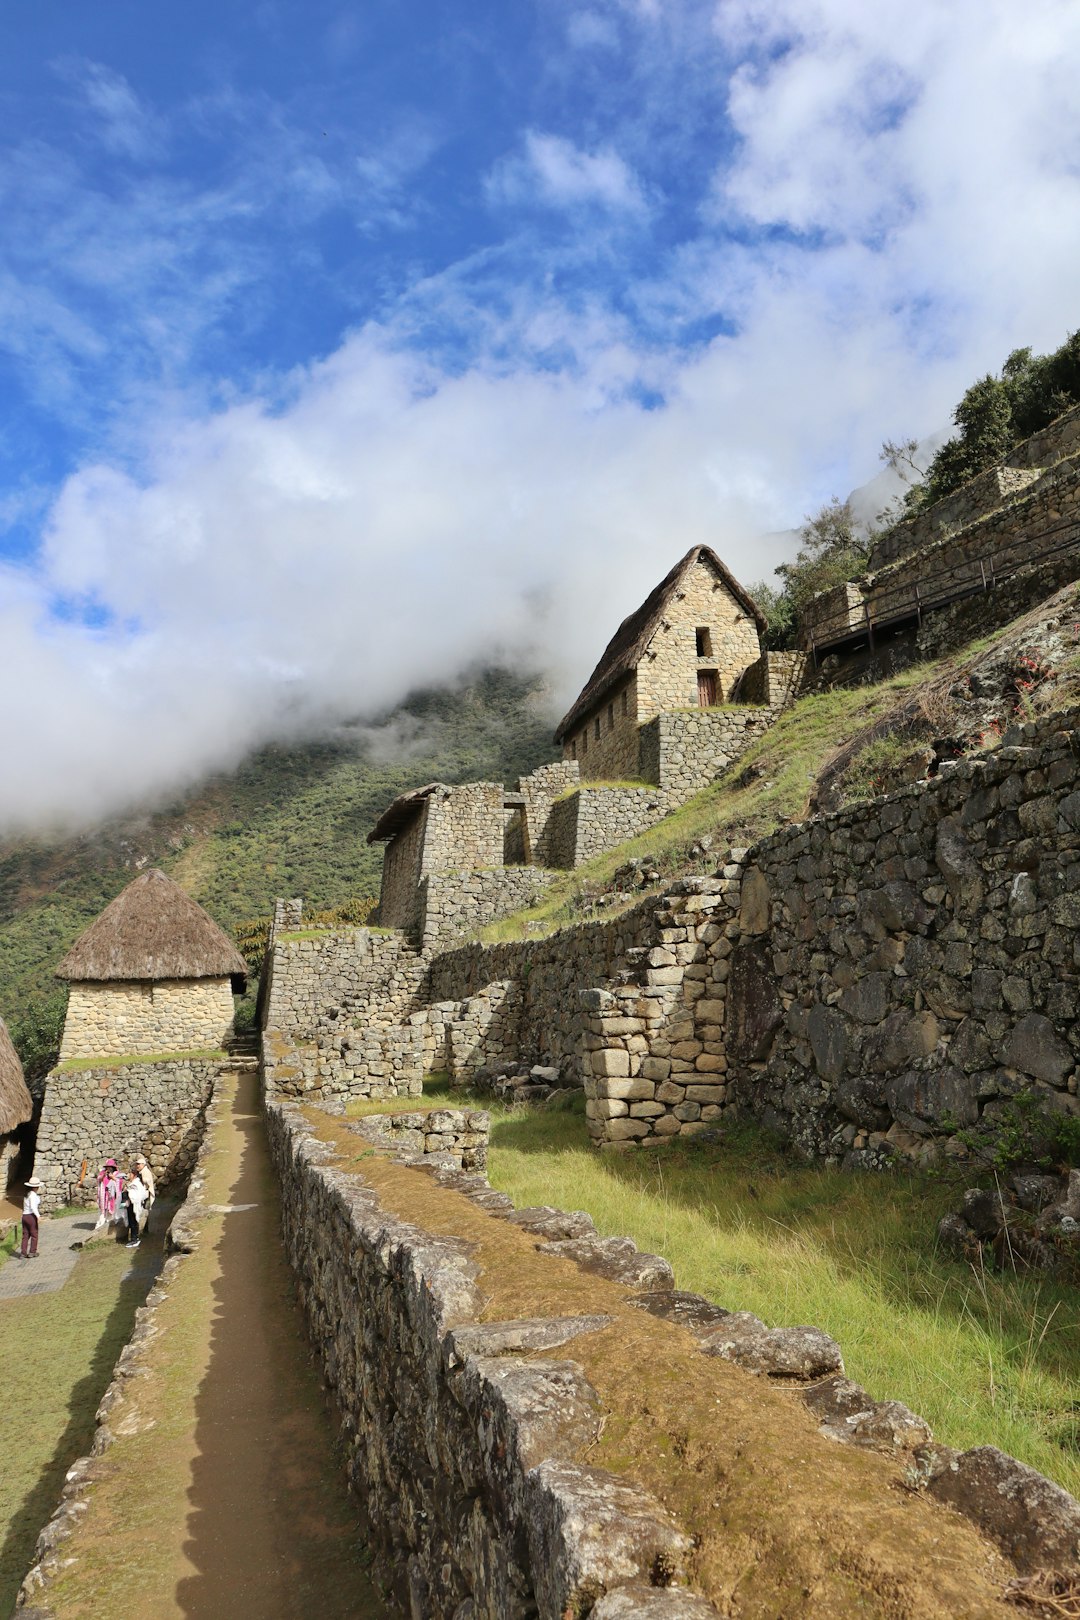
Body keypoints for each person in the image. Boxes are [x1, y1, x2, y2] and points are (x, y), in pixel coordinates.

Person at [95, 1159, 123, 1229]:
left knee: (112, 1211)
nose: (109, 1168)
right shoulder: (102, 1173)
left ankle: (110, 1225)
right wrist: (104, 1175)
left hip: (112, 1196)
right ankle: (100, 1225)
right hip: (103, 1196)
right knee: (103, 1211)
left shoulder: (117, 1174)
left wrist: (113, 1178)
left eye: (110, 1167)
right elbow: (99, 1179)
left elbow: (119, 1182)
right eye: (107, 1167)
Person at [123, 1172, 147, 1247]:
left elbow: (139, 1195)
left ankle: (135, 1239)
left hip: (134, 1206)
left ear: (134, 1175)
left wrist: (128, 1192)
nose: (128, 1175)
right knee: (131, 1221)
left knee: (133, 1222)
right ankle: (134, 1238)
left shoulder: (136, 1184)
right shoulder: (132, 1184)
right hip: (130, 1206)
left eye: (130, 1173)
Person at [21, 1176, 42, 1259]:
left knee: (25, 1235)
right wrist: (38, 1216)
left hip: (24, 1216)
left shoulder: (26, 1194)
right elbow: (33, 1207)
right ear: (36, 1187)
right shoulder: (33, 1195)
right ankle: (32, 1252)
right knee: (34, 1235)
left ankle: (23, 1253)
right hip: (30, 1216)